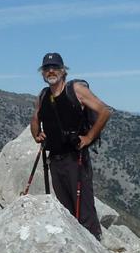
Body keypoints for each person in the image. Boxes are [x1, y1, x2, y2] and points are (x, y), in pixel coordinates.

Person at [29, 52, 110, 240]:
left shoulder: (76, 90)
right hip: (55, 160)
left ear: (63, 70)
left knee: (84, 209)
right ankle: (75, 244)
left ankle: (94, 244)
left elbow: (104, 111)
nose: (51, 71)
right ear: (42, 73)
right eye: (47, 68)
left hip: (76, 159)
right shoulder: (43, 95)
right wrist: (36, 135)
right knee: (66, 209)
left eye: (55, 67)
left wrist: (89, 137)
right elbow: (35, 118)